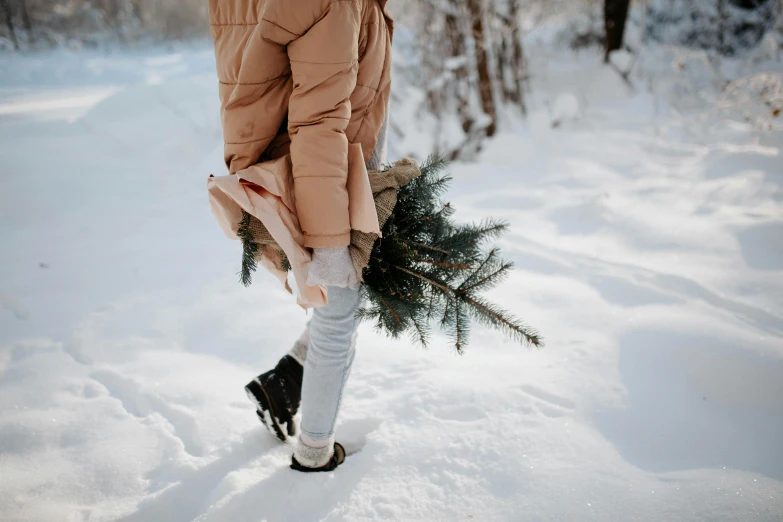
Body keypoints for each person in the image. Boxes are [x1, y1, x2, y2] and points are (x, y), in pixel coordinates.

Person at [209, 0, 393, 472]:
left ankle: (285, 382)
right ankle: (314, 455)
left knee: (340, 308)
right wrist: (331, 241)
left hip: (309, 171)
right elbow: (317, 122)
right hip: (319, 182)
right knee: (338, 313)